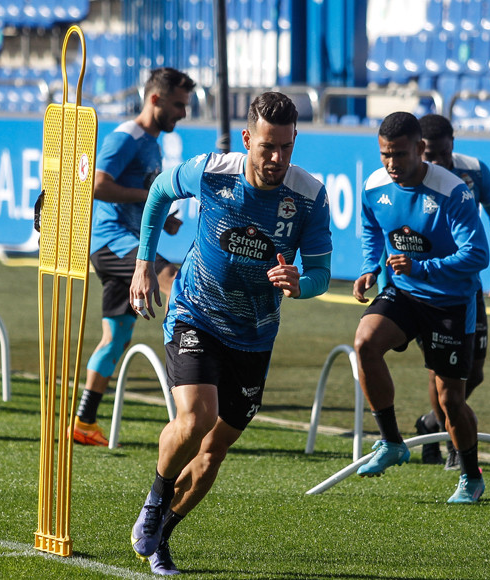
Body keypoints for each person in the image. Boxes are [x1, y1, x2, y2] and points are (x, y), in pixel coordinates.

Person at [128, 92, 332, 574]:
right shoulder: (212, 171)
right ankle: (156, 500)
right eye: (267, 147)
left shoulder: (309, 197)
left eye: (286, 146)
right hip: (195, 313)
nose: (277, 158)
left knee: (213, 450)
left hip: (255, 337)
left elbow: (322, 272)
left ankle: (162, 535)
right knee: (197, 417)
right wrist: (143, 263)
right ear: (247, 139)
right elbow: (159, 192)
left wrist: (302, 285)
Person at [352, 111, 489, 504]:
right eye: (384, 155)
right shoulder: (375, 186)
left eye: (399, 154)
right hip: (405, 293)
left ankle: (470, 475)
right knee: (365, 343)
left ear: (421, 149)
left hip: (449, 302)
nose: (391, 164)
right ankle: (392, 442)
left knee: (450, 400)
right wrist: (369, 268)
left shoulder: (453, 191)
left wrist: (422, 266)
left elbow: (478, 255)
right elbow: (371, 228)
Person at [73, 67, 196, 446]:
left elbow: (133, 193)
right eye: (178, 104)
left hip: (122, 242)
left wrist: (164, 218)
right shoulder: (127, 136)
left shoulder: (151, 142)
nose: (184, 113)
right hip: (111, 242)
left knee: (116, 336)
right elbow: (96, 185)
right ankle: (196, 381)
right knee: (175, 281)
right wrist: (149, 199)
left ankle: (83, 422)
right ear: (154, 99)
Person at [414, 113, 490, 468]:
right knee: (440, 371)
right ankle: (455, 441)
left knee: (476, 372)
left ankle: (432, 422)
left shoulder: (475, 172)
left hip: (467, 286)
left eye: (442, 153)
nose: (436, 162)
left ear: (452, 144)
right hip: (428, 288)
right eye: (429, 154)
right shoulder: (413, 175)